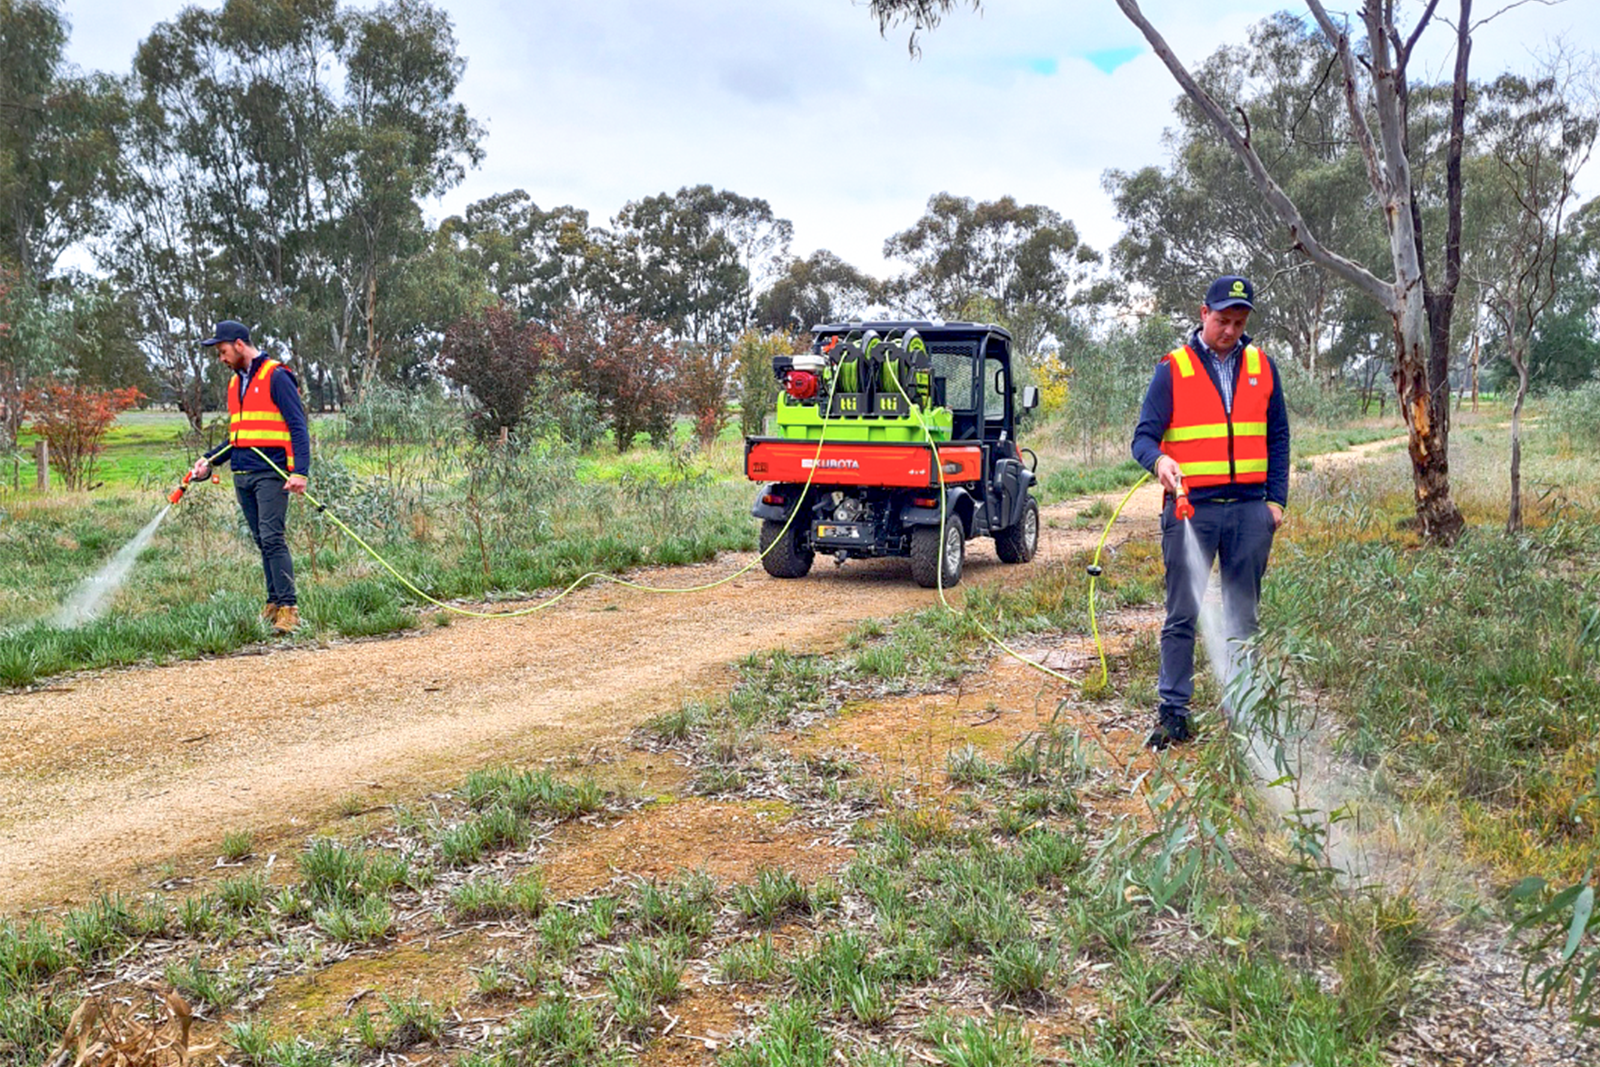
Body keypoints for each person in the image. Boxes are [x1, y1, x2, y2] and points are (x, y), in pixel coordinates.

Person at [1130, 276, 1289, 749]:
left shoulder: (1264, 367)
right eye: (1222, 320)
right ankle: (1173, 713)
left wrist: (1274, 503)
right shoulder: (1172, 370)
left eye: (1239, 322)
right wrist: (1159, 461)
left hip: (1248, 514)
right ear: (1204, 314)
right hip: (1189, 513)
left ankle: (1243, 710)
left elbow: (1278, 437)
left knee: (1244, 617)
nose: (1230, 330)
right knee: (1182, 615)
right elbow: (1142, 437)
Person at [187, 320, 311, 634]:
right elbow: (239, 437)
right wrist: (208, 461)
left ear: (239, 344)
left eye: (223, 351)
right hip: (242, 472)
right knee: (261, 541)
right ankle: (273, 603)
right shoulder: (234, 384)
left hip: (271, 473)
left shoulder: (276, 376)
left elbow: (297, 426)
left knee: (272, 539)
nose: (221, 358)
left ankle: (289, 609)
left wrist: (300, 472)